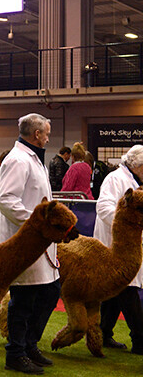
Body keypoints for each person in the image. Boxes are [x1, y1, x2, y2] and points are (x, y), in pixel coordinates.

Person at [0, 113, 59, 374]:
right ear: (36, 135)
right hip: (24, 242)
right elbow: (5, 199)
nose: (47, 137)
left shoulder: (33, 158)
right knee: (23, 300)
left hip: (40, 243)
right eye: (46, 133)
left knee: (49, 292)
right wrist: (35, 222)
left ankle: (30, 344)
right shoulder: (18, 159)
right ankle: (15, 353)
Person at [95, 144, 143, 354]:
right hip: (116, 245)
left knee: (115, 291)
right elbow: (103, 207)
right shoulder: (115, 179)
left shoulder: (136, 181)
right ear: (137, 165)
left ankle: (103, 333)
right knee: (127, 290)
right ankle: (140, 339)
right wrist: (124, 225)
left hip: (129, 247)